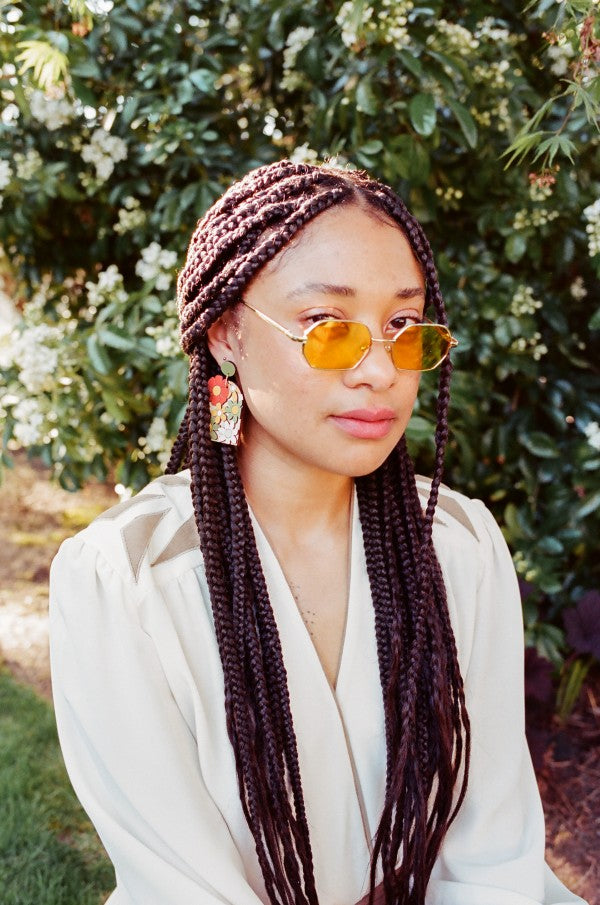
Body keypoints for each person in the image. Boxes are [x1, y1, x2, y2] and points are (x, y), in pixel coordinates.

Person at [49, 160, 587, 905]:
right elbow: (185, 888)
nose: (378, 369)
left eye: (404, 326)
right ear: (227, 332)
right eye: (329, 328)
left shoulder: (457, 546)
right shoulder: (127, 577)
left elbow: (491, 855)